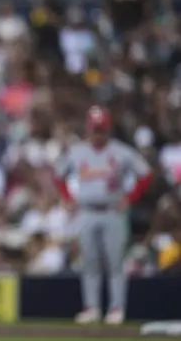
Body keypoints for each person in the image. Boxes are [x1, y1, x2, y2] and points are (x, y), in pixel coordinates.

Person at [54, 105, 153, 325]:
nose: (98, 134)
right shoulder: (77, 151)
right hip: (87, 211)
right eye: (95, 129)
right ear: (89, 129)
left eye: (102, 129)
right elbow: (59, 175)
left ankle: (116, 309)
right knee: (89, 262)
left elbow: (145, 175)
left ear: (108, 129)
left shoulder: (121, 151)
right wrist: (68, 198)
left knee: (115, 262)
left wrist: (130, 197)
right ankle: (92, 308)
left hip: (112, 212)